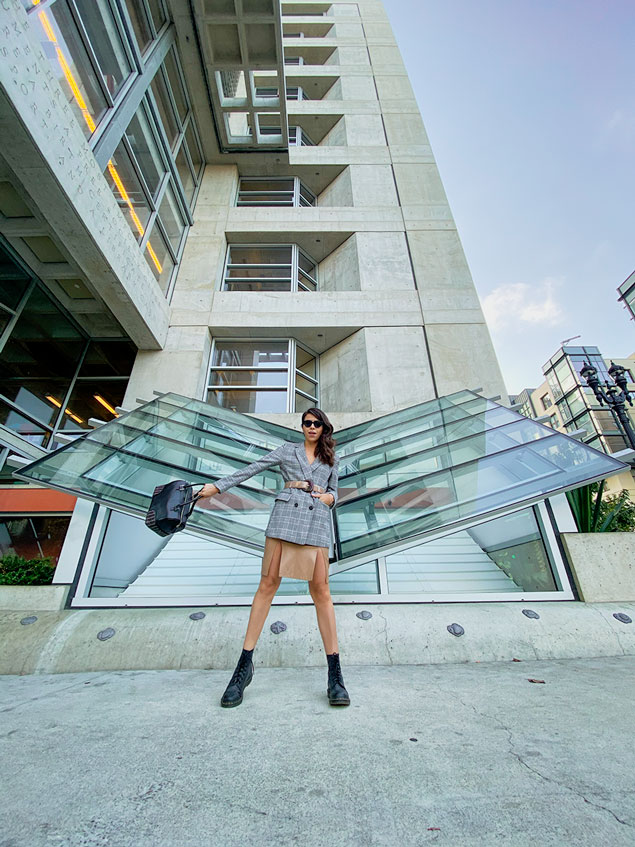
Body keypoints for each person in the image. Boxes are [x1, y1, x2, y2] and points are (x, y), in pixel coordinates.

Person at [198, 407, 349, 709]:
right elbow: (252, 468)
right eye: (306, 423)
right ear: (301, 426)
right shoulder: (287, 450)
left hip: (316, 523)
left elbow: (335, 492)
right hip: (284, 520)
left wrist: (329, 498)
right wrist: (217, 487)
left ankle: (335, 675)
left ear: (324, 427)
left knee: (321, 592)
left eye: (316, 423)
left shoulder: (331, 458)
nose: (311, 427)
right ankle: (243, 668)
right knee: (267, 586)